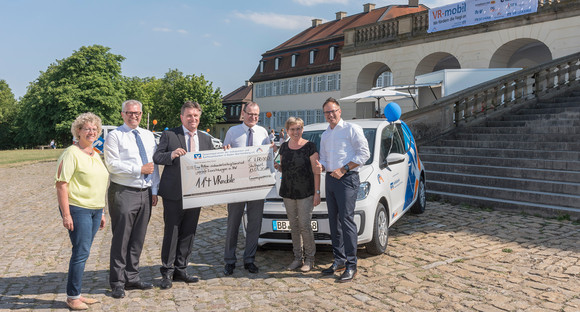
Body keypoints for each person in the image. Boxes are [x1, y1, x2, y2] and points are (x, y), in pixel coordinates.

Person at [153, 101, 216, 289]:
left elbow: (213, 162)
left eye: (196, 116)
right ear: (182, 117)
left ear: (199, 118)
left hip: (196, 193)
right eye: (189, 116)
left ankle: (181, 269)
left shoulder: (206, 139)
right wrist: (171, 154)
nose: (193, 119)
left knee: (189, 232)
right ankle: (167, 271)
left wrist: (225, 154)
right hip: (174, 193)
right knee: (172, 232)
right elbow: (157, 157)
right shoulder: (170, 134)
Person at [104, 100, 160, 299]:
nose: (133, 116)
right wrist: (139, 170)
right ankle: (117, 282)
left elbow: (154, 165)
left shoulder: (147, 135)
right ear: (122, 114)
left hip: (145, 192)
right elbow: (111, 165)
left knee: (138, 238)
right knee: (121, 238)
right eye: (129, 112)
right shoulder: (115, 136)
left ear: (142, 114)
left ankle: (132, 276)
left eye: (137, 113)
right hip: (124, 191)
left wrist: (154, 189)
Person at [55, 113, 109, 310]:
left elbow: (99, 184)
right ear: (78, 131)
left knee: (84, 252)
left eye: (95, 129)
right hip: (78, 209)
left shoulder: (95, 153)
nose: (92, 132)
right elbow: (61, 184)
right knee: (80, 252)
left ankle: (77, 292)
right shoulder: (71, 153)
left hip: (95, 210)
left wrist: (102, 211)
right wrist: (66, 214)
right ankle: (72, 296)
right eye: (87, 128)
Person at [316, 97, 370, 282]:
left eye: (333, 111)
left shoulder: (351, 129)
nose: (330, 115)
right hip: (330, 180)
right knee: (334, 221)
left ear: (340, 111)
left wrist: (344, 168)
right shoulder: (325, 135)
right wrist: (320, 166)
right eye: (327, 112)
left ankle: (351, 265)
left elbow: (364, 154)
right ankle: (338, 260)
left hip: (347, 179)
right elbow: (324, 158)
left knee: (347, 221)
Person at [223, 101, 272, 275]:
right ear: (243, 114)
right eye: (250, 114)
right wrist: (225, 150)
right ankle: (229, 260)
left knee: (254, 224)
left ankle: (249, 259)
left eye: (256, 115)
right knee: (233, 224)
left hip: (256, 185)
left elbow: (268, 157)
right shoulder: (232, 132)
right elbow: (224, 156)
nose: (253, 118)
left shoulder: (263, 132)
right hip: (237, 185)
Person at [275, 117, 320, 272]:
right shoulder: (284, 147)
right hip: (288, 192)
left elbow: (316, 171)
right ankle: (297, 258)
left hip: (305, 193)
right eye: (292, 129)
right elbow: (284, 169)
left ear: (302, 129)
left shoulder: (310, 147)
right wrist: (278, 167)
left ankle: (310, 259)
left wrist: (317, 193)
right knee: (293, 226)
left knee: (305, 225)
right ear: (287, 130)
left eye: (298, 128)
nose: (295, 132)